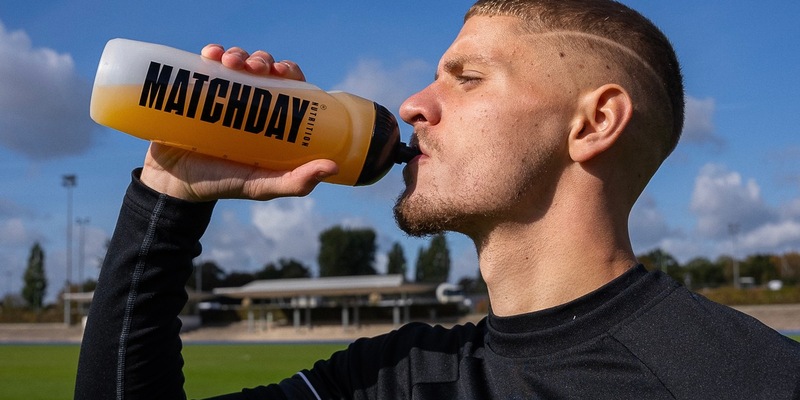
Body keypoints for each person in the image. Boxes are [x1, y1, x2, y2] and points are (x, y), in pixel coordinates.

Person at [75, 0, 800, 399]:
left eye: (469, 78)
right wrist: (170, 195)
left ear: (593, 123)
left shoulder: (748, 380)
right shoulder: (397, 376)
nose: (415, 104)